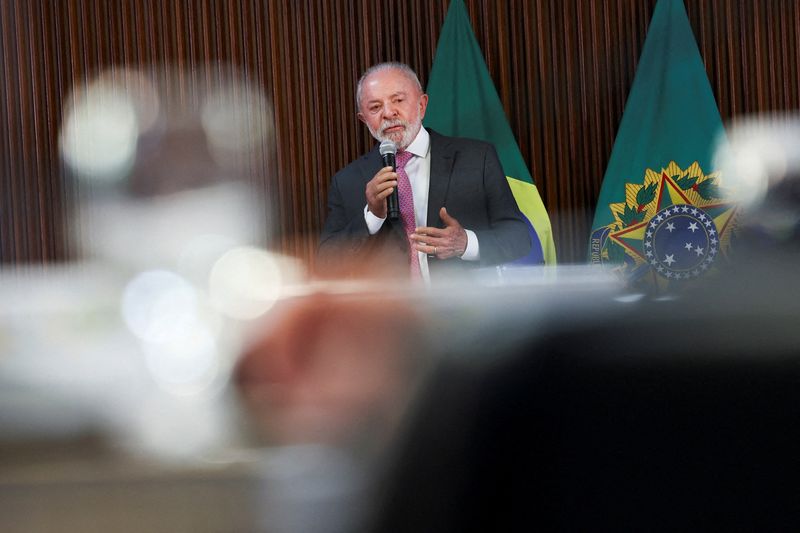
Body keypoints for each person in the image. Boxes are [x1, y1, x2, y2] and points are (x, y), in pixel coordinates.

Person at [318, 62, 530, 282]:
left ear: (422, 105)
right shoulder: (347, 181)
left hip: (465, 310)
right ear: (364, 119)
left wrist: (465, 243)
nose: (388, 113)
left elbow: (519, 238)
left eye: (398, 100)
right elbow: (327, 262)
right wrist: (372, 216)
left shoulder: (477, 158)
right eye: (375, 107)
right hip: (390, 314)